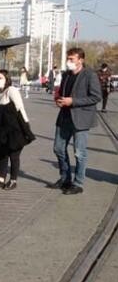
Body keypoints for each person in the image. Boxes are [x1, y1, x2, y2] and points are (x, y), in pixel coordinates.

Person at [48, 48, 102, 195]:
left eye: (72, 59)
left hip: (81, 118)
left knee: (79, 152)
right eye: (68, 59)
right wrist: (59, 100)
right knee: (58, 148)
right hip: (64, 116)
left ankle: (78, 183)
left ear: (80, 60)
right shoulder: (66, 74)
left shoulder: (89, 75)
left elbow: (96, 97)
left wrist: (73, 101)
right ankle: (65, 178)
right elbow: (62, 93)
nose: (68, 62)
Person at [0, 70, 33, 191]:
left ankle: (13, 180)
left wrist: (26, 126)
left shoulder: (11, 90)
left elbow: (20, 107)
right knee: (2, 154)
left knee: (14, 155)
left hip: (15, 129)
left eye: (1, 78)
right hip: (3, 130)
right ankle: (0, 179)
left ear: (6, 79)